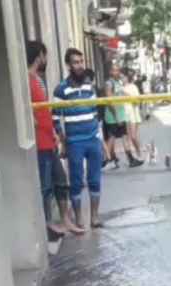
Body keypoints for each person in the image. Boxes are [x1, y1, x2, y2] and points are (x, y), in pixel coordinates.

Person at [27, 40, 82, 238]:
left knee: (60, 182)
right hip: (40, 143)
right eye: (45, 55)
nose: (46, 59)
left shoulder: (38, 80)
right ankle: (48, 225)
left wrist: (55, 133)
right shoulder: (27, 80)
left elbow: (45, 112)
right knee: (45, 186)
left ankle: (65, 221)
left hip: (48, 141)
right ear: (39, 55)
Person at [54, 48, 106, 228]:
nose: (80, 65)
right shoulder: (61, 89)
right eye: (75, 62)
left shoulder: (89, 86)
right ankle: (78, 219)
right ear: (68, 65)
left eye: (81, 61)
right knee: (76, 181)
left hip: (92, 139)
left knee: (95, 179)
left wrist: (101, 141)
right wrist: (63, 140)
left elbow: (95, 114)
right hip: (74, 142)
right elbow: (55, 118)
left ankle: (94, 217)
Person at [101, 63, 145, 169]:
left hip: (121, 115)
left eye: (118, 70)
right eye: (114, 70)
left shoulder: (118, 83)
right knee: (111, 138)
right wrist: (116, 117)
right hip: (113, 117)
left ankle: (130, 159)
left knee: (125, 137)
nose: (117, 72)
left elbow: (123, 93)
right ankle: (108, 160)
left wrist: (133, 97)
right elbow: (110, 101)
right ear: (110, 72)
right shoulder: (109, 83)